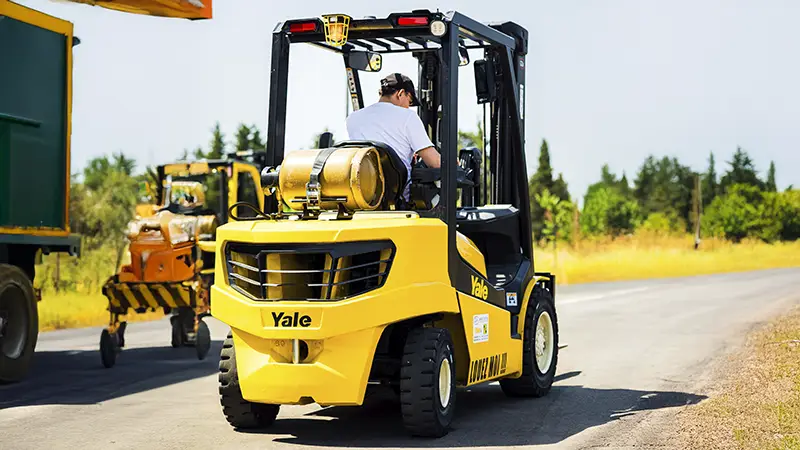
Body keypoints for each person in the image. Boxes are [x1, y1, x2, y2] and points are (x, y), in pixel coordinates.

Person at [346, 73, 440, 200]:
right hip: (396, 199)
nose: (408, 106)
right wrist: (451, 162)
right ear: (400, 93)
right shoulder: (408, 117)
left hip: (362, 197)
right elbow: (435, 163)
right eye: (410, 101)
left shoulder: (353, 118)